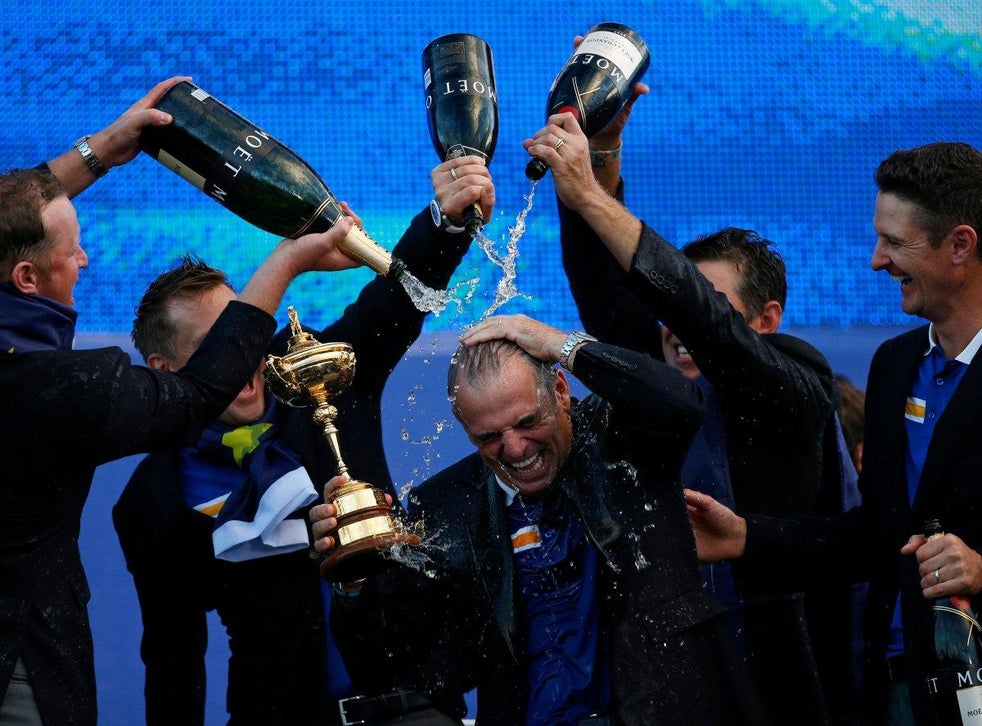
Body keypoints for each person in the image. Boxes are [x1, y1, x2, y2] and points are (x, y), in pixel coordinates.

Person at [0, 78, 363, 726]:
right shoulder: (49, 388)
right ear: (27, 277)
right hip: (16, 665)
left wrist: (100, 152)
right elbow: (200, 393)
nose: (84, 258)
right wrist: (288, 259)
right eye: (68, 249)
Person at [111, 157, 495, 725]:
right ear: (163, 368)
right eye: (215, 346)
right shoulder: (154, 497)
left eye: (243, 331)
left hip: (416, 702)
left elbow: (395, 304)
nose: (241, 357)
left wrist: (446, 222)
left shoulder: (316, 372)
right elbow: (173, 658)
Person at [537, 80, 849, 722]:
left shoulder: (797, 378)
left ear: (766, 319)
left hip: (784, 675)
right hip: (671, 676)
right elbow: (601, 282)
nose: (679, 326)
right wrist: (601, 150)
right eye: (675, 308)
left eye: (711, 305)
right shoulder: (659, 371)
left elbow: (710, 329)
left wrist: (593, 196)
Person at [312, 313, 768, 725]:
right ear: (463, 425)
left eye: (528, 421)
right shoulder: (446, 504)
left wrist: (560, 344)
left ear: (561, 391)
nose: (514, 448)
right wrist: (353, 575)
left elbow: (680, 403)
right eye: (489, 436)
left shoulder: (621, 437)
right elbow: (398, 663)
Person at [684, 141, 982, 726]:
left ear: (960, 245)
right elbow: (872, 536)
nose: (876, 260)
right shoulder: (894, 366)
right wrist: (745, 536)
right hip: (892, 687)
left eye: (895, 242)